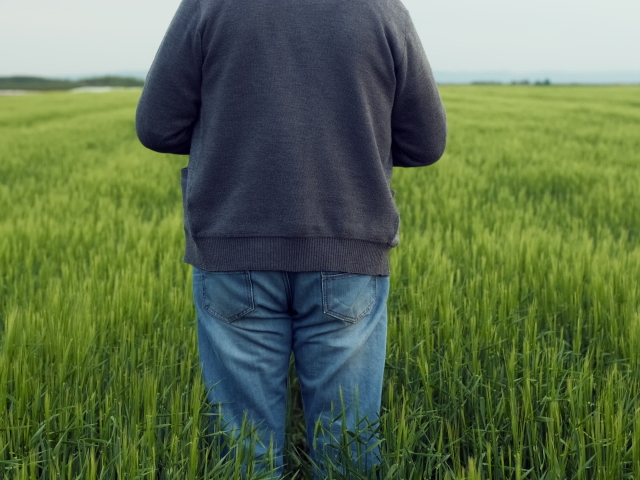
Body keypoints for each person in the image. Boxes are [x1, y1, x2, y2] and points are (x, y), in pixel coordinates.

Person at [136, 0, 446, 476]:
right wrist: (356, 141)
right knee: (346, 450)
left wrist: (230, 133)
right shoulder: (382, 7)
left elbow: (157, 125)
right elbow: (426, 142)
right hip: (349, 245)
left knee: (245, 453)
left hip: (232, 247)